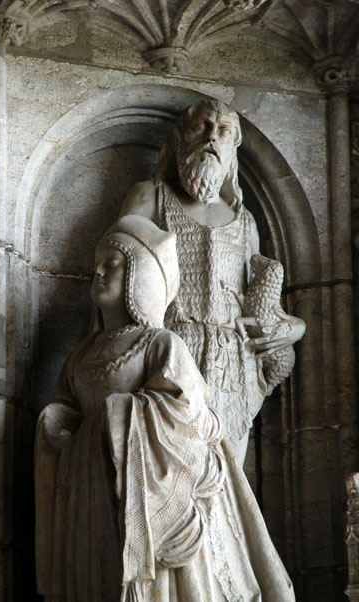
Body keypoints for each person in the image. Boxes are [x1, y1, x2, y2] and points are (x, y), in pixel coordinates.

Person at [35, 215, 296, 601]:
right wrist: (55, 423)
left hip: (152, 492)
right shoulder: (80, 357)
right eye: (98, 263)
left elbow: (186, 411)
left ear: (141, 275)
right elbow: (66, 407)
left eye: (114, 262)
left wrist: (119, 416)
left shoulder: (161, 343)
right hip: (94, 492)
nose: (100, 270)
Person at [120, 99, 305, 462]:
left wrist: (293, 329)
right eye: (201, 127)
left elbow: (264, 306)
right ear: (178, 141)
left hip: (233, 364)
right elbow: (117, 277)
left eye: (223, 131)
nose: (211, 138)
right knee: (167, 473)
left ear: (231, 148)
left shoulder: (245, 220)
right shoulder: (150, 197)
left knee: (225, 479)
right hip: (168, 353)